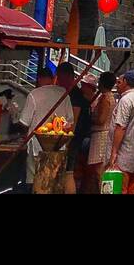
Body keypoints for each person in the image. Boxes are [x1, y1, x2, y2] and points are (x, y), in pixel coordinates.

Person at [19, 66, 71, 185]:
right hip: (58, 147)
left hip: (37, 147)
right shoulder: (64, 95)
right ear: (53, 78)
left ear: (39, 79)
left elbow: (24, 122)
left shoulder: (34, 94)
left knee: (34, 181)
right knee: (53, 182)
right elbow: (70, 123)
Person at [108, 69, 134, 194]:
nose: (117, 85)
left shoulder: (126, 100)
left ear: (126, 82)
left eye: (119, 82)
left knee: (120, 188)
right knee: (132, 188)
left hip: (124, 153)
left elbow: (121, 127)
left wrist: (114, 152)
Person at [55, 61, 90, 195]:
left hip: (73, 138)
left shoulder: (74, 94)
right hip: (72, 136)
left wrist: (68, 141)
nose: (58, 80)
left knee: (68, 171)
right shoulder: (70, 92)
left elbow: (74, 119)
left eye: (60, 77)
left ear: (68, 77)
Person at [85, 72, 117, 193]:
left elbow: (101, 119)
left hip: (101, 134)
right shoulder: (110, 96)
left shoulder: (105, 98)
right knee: (100, 168)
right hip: (105, 133)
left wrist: (91, 117)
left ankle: (102, 190)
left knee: (99, 170)